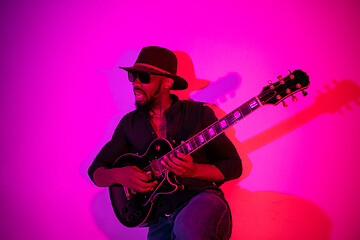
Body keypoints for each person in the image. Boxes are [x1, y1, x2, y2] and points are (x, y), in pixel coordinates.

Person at [88, 46, 242, 240]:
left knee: (189, 231)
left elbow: (233, 166)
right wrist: (121, 175)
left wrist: (193, 170)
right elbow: (96, 171)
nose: (135, 83)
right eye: (133, 76)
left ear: (168, 82)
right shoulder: (129, 124)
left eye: (143, 77)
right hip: (158, 218)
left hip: (198, 199)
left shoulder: (199, 114)